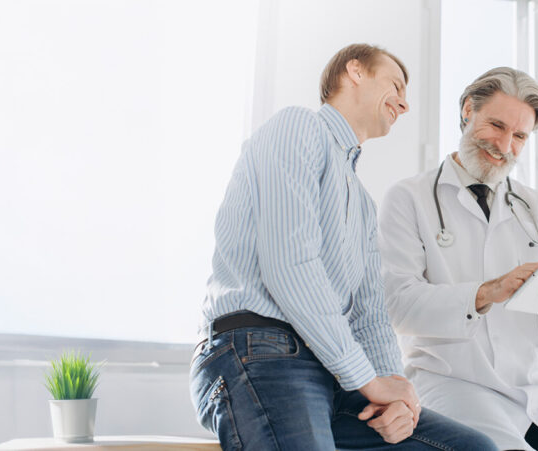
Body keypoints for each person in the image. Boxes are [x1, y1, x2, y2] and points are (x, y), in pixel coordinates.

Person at [189, 43, 497, 450]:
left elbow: (370, 314)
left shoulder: (364, 206)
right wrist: (367, 379)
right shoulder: (297, 128)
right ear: (354, 71)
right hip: (259, 351)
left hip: (330, 371)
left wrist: (396, 394)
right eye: (396, 85)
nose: (404, 105)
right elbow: (290, 268)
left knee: (473, 448)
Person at [377, 67, 538, 451]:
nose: (504, 145)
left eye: (520, 136)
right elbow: (397, 306)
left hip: (535, 392)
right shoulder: (409, 198)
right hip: (455, 385)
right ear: (468, 110)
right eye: (496, 125)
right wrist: (486, 292)